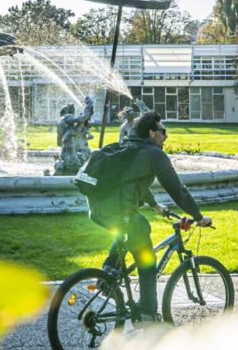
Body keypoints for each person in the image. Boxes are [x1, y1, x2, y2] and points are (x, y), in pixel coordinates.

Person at [89, 110, 212, 324]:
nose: (166, 136)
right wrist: (197, 216)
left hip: (98, 210)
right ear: (152, 133)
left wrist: (155, 205)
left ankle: (108, 274)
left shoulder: (130, 146)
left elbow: (133, 182)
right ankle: (147, 313)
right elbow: (177, 189)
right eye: (163, 131)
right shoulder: (154, 154)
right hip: (117, 211)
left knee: (134, 228)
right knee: (146, 252)